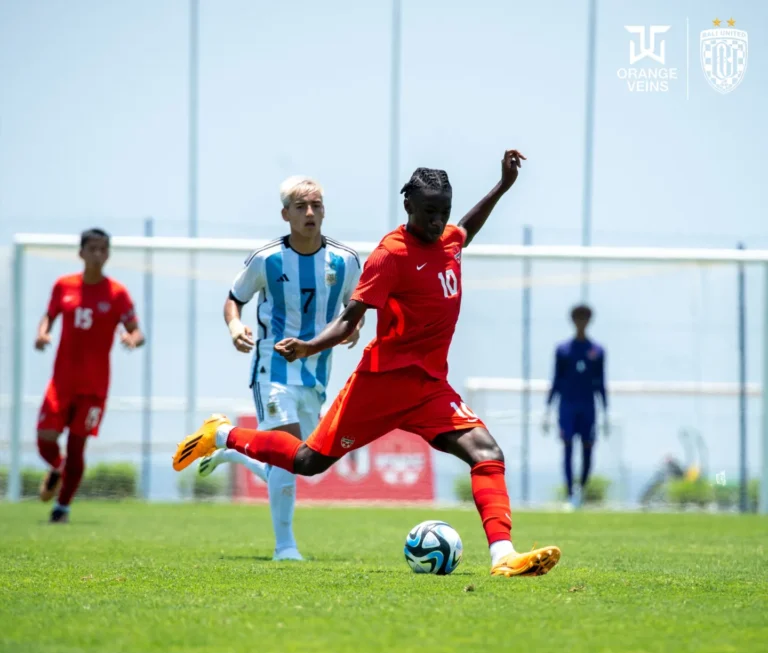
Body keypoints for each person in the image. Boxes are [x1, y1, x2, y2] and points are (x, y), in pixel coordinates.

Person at [173, 150, 561, 577]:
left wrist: (502, 186)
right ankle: (222, 434)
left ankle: (503, 556)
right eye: (429, 212)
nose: (437, 221)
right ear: (408, 205)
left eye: (443, 212)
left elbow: (467, 227)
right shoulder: (390, 254)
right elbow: (349, 320)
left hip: (430, 387)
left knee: (487, 453)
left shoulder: (449, 240)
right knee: (307, 462)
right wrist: (307, 347)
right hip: (381, 384)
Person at [200, 176, 362, 561]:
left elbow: (353, 308)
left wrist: (355, 328)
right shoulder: (267, 258)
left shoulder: (345, 260)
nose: (310, 213)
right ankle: (285, 547)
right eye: (301, 206)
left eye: (316, 205)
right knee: (288, 454)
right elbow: (234, 298)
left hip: (316, 374)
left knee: (302, 462)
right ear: (285, 214)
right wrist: (235, 326)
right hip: (272, 369)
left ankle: (233, 448)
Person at [36, 228, 144, 523]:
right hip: (61, 383)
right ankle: (58, 468)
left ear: (108, 254)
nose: (97, 254)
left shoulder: (117, 293)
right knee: (45, 439)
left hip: (94, 388)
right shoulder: (64, 286)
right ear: (81, 253)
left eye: (103, 249)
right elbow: (49, 315)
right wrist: (42, 333)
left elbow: (137, 331)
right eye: (92, 249)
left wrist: (132, 339)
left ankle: (62, 507)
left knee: (76, 447)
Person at [543, 305, 608, 509]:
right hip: (567, 406)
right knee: (568, 446)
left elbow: (601, 382)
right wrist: (548, 409)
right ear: (573, 321)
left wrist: (605, 409)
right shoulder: (563, 350)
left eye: (584, 318)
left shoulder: (597, 351)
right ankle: (571, 493)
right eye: (578, 318)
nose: (581, 322)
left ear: (589, 321)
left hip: (588, 407)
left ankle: (582, 489)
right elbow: (556, 379)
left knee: (588, 447)